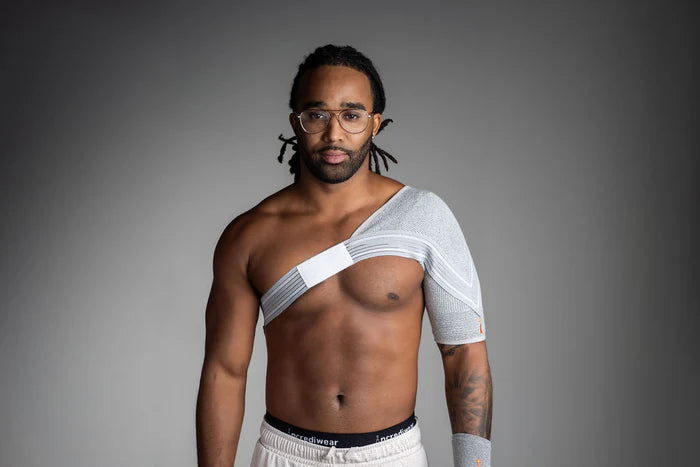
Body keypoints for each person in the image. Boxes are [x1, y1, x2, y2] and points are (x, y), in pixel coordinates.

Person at [196, 44, 493, 467]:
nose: (334, 134)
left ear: (375, 124)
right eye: (317, 115)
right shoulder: (250, 235)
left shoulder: (424, 219)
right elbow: (224, 372)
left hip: (392, 456)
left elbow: (464, 355)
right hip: (285, 453)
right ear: (296, 123)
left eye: (351, 115)